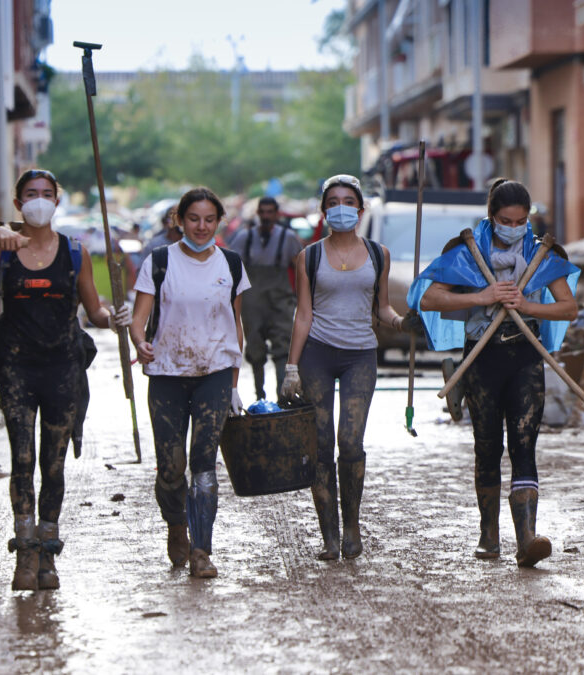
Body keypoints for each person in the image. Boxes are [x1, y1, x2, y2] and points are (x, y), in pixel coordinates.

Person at [0, 169, 130, 591]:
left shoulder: (75, 253)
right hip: (16, 370)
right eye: (31, 195)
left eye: (47, 194)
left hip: (62, 370)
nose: (39, 201)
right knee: (21, 460)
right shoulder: (2, 249)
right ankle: (25, 552)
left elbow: (94, 312)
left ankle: (49, 553)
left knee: (52, 465)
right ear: (19, 204)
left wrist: (115, 319)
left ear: (57, 201)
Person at [410, 178, 579, 568]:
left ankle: (527, 539)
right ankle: (489, 533)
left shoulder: (542, 255)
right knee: (487, 446)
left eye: (521, 221)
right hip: (481, 358)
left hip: (525, 357)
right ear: (491, 216)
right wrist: (483, 297)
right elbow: (430, 298)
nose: (514, 228)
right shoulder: (467, 252)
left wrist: (525, 305)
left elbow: (568, 308)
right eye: (506, 220)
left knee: (524, 444)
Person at [280, 174, 416, 561]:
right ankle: (329, 536)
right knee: (320, 445)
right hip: (318, 354)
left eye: (348, 201)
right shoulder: (309, 256)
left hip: (361, 355)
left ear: (360, 208)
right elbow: (303, 315)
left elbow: (382, 308)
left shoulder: (378, 254)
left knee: (350, 442)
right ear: (324, 210)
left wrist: (402, 323)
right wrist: (292, 367)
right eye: (333, 201)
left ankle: (352, 525)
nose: (341, 208)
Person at [128, 187, 250, 579]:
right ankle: (176, 525)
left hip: (213, 374)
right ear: (179, 221)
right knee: (170, 466)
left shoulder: (230, 264)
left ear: (218, 222)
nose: (201, 227)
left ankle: (201, 549)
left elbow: (236, 324)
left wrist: (233, 382)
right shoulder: (160, 261)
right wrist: (139, 342)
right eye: (193, 219)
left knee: (203, 465)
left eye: (209, 220)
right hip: (166, 374)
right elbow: (138, 317)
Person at [227, 196, 303, 400]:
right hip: (253, 302)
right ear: (258, 214)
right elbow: (233, 267)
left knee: (282, 347)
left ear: (277, 214)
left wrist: (303, 296)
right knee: (255, 349)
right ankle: (259, 394)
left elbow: (299, 267)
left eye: (271, 212)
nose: (267, 216)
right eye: (263, 212)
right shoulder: (245, 237)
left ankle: (282, 396)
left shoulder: (288, 237)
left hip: (280, 300)